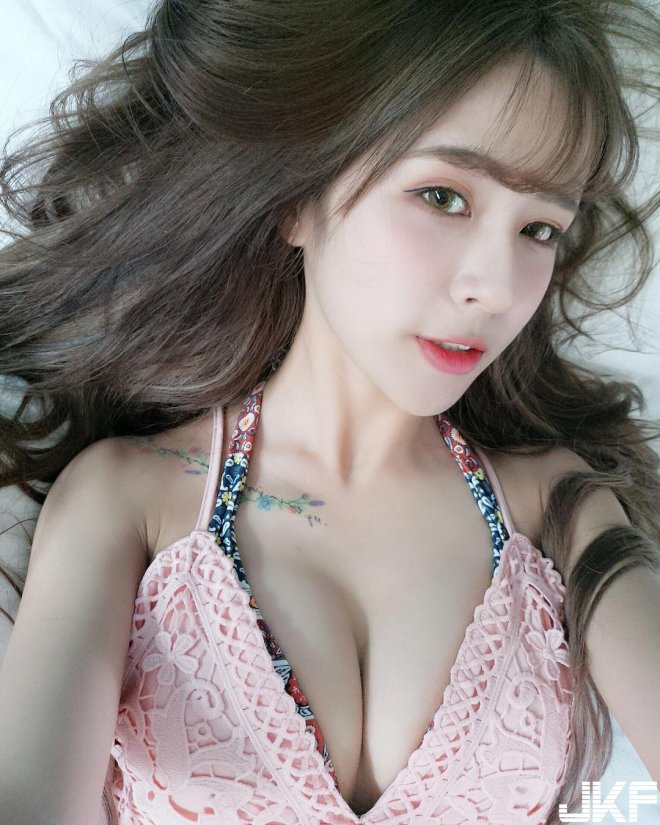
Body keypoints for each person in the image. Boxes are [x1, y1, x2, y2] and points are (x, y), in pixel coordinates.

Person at [0, 0, 659, 823]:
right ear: (298, 199)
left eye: (539, 228)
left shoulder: (559, 510)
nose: (495, 287)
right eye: (443, 196)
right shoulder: (130, 500)